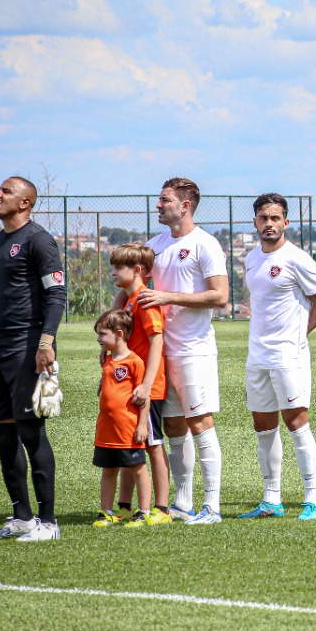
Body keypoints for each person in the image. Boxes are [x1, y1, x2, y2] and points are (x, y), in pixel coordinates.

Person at [0, 177, 67, 542]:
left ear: (26, 202)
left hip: (28, 347)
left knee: (31, 431)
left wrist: (46, 342)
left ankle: (48, 523)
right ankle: (22, 518)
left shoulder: (38, 240)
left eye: (6, 192)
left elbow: (57, 295)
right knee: (2, 432)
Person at [239, 193, 316, 522]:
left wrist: (298, 335)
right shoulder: (250, 259)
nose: (269, 224)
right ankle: (271, 499)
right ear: (255, 222)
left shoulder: (298, 259)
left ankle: (312, 499)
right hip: (257, 356)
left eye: (275, 218)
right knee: (263, 427)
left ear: (286, 223)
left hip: (288, 356)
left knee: (296, 423)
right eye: (263, 218)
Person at [140, 178, 228, 525]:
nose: (158, 205)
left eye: (164, 200)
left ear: (185, 205)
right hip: (160, 350)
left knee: (200, 422)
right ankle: (182, 503)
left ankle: (213, 507)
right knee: (174, 426)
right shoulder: (155, 244)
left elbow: (220, 297)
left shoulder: (205, 243)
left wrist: (168, 297)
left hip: (194, 350)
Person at [109, 244, 171, 525]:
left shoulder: (145, 300)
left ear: (136, 271)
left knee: (153, 444)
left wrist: (146, 384)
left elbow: (157, 340)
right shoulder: (131, 299)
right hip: (132, 386)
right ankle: (124, 506)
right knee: (129, 443)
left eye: (117, 268)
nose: (112, 273)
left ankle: (162, 509)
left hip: (149, 387)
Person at [92, 310, 152, 527]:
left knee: (138, 468)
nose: (99, 339)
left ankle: (144, 512)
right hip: (106, 430)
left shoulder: (135, 362)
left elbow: (145, 398)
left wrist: (142, 424)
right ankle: (106, 512)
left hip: (128, 430)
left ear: (119, 334)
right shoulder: (107, 360)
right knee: (108, 471)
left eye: (102, 334)